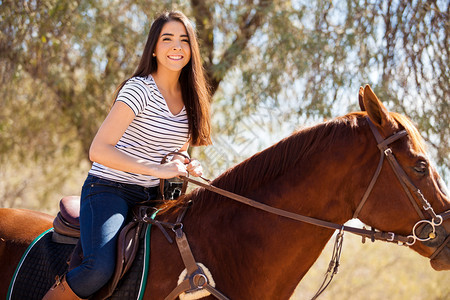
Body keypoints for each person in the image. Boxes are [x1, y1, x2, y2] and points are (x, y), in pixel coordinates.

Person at [43, 10, 212, 300]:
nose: (176, 46)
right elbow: (99, 149)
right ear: (155, 49)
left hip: (154, 197)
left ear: (191, 49)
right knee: (98, 268)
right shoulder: (139, 89)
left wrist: (185, 163)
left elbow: (174, 152)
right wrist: (157, 171)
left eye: (184, 40)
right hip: (110, 189)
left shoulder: (191, 98)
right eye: (167, 39)